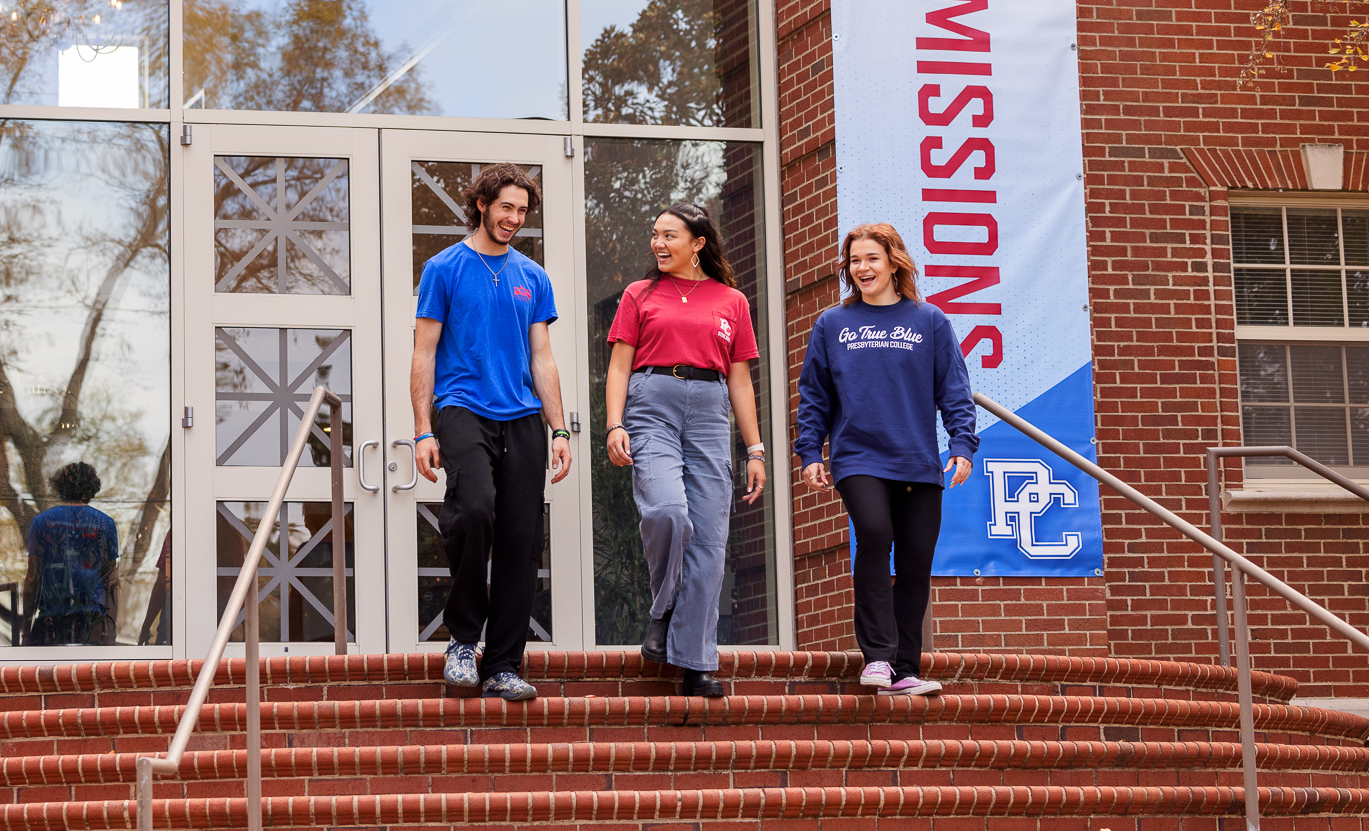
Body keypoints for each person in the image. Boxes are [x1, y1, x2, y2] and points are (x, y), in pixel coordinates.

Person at [412, 163, 572, 701]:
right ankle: (462, 640)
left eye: (523, 211)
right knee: (474, 509)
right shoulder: (444, 268)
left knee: (521, 539)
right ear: (482, 204)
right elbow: (424, 352)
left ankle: (503, 663)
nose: (514, 218)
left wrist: (560, 428)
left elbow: (542, 358)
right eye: (506, 207)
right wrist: (421, 430)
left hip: (523, 416)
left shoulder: (533, 277)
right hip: (462, 408)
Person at [794, 223, 975, 698]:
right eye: (854, 260)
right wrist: (810, 451)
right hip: (859, 456)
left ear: (894, 262)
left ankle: (906, 668)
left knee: (915, 561)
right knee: (875, 534)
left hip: (917, 459)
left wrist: (961, 444)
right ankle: (877, 657)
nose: (862, 268)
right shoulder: (833, 324)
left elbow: (953, 389)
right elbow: (814, 395)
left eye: (871, 258)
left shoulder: (929, 320)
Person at [603, 202, 766, 700]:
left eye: (669, 235)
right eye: (655, 235)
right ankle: (662, 610)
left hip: (712, 410)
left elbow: (740, 381)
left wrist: (755, 449)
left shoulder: (731, 301)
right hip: (652, 403)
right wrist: (613, 424)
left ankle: (695, 660)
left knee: (710, 542)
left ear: (697, 243)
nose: (658, 244)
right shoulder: (639, 294)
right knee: (669, 513)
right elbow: (618, 368)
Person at [23, 461, 120, 646]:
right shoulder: (106, 523)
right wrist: (111, 629)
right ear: (92, 487)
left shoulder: (42, 522)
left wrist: (25, 631)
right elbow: (112, 582)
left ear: (60, 487)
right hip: (92, 620)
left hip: (51, 619)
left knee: (49, 673)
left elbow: (32, 579)